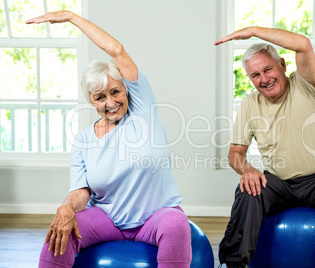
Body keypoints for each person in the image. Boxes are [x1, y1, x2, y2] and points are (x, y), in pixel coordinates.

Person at [26, 11, 192, 268]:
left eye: (115, 92)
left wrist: (71, 17)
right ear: (90, 101)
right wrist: (67, 207)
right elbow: (81, 192)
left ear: (127, 89)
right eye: (100, 97)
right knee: (60, 228)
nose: (110, 102)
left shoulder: (142, 111)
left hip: (155, 217)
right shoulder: (83, 140)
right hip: (107, 219)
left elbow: (117, 50)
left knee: (176, 222)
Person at [214, 27, 315, 268]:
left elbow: (303, 43)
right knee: (248, 190)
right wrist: (247, 170)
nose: (263, 79)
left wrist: (253, 31)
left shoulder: (303, 85)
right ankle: (231, 264)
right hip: (279, 183)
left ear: (282, 64)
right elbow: (235, 153)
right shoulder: (250, 103)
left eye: (267, 69)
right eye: (255, 75)